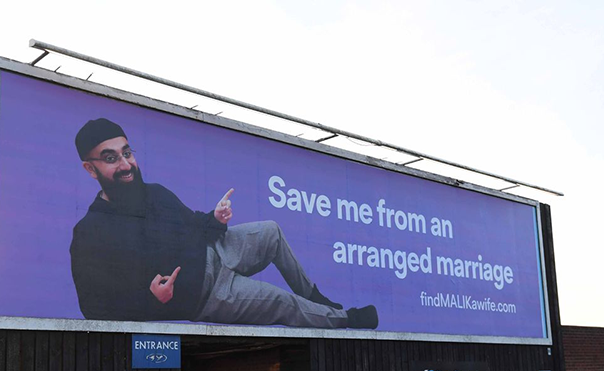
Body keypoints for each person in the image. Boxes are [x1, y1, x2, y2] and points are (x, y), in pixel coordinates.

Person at [70, 118, 378, 329]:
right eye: (111, 158)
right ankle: (344, 319)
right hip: (210, 293)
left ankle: (315, 296)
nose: (125, 165)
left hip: (216, 251)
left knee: (270, 230)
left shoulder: (155, 194)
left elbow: (194, 224)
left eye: (127, 153)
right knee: (283, 303)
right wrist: (150, 299)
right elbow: (94, 309)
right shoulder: (90, 233)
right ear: (90, 168)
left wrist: (215, 219)